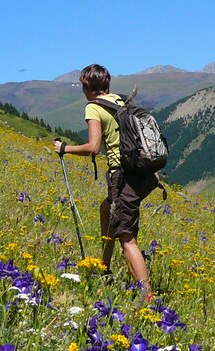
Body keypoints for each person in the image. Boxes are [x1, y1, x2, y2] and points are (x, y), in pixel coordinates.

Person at [54, 64, 158, 301]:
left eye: (83, 86)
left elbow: (93, 147)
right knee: (107, 209)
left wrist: (64, 148)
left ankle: (147, 297)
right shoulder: (122, 101)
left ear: (88, 87)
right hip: (146, 174)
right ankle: (104, 267)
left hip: (124, 176)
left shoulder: (93, 107)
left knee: (127, 238)